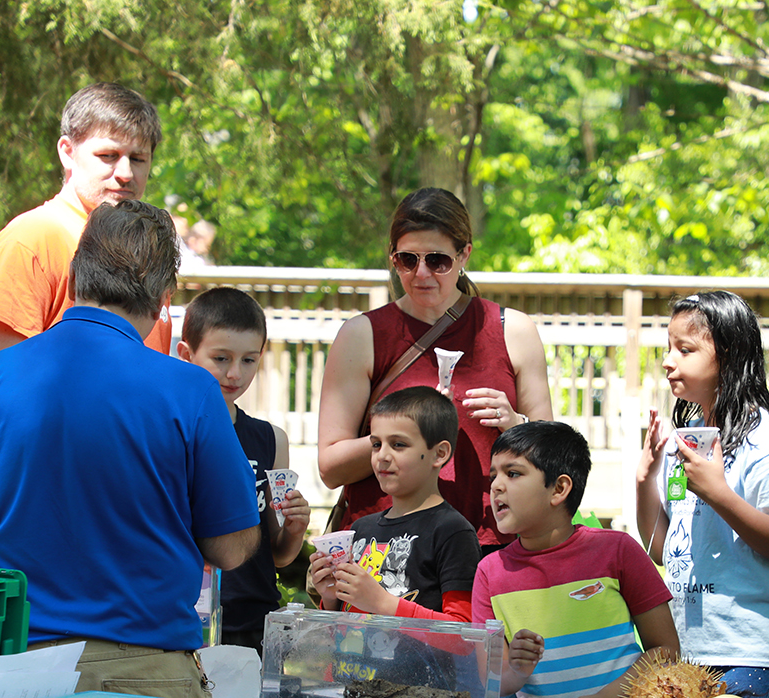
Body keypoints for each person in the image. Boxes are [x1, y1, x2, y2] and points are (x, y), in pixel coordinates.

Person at [0, 198, 260, 698]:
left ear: (74, 276)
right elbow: (230, 546)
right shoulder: (189, 390)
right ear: (166, 297)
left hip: (15, 673)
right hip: (145, 677)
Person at [318, 187, 552, 550]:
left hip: (491, 543)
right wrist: (399, 434)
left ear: (464, 255)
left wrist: (515, 425)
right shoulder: (361, 335)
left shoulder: (512, 330)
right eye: (407, 260)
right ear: (393, 259)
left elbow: (551, 456)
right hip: (387, 549)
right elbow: (331, 467)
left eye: (438, 260)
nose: (421, 273)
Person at [634, 291, 769, 698]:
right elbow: (661, 549)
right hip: (688, 650)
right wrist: (644, 480)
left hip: (749, 653)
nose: (667, 360)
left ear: (728, 356)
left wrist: (718, 495)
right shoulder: (690, 437)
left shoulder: (768, 442)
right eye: (668, 347)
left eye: (685, 349)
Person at [0, 83, 169, 388]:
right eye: (108, 155)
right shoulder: (31, 240)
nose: (125, 172)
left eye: (138, 159)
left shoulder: (148, 245)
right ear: (67, 152)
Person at [473, 420, 678, 698]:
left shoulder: (618, 550)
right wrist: (517, 669)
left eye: (513, 473)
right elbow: (493, 682)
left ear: (559, 489)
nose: (496, 486)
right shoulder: (488, 572)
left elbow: (666, 651)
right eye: (494, 476)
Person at [174, 286, 310, 653]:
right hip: (185, 620)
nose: (235, 373)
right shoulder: (168, 433)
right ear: (186, 354)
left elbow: (277, 553)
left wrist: (295, 530)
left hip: (255, 623)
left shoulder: (271, 440)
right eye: (221, 358)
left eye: (249, 360)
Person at [309, 386, 480, 620]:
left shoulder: (452, 531)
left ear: (439, 453)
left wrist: (382, 602)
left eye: (398, 444)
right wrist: (330, 598)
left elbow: (463, 632)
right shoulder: (360, 528)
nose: (382, 456)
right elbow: (345, 622)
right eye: (376, 444)